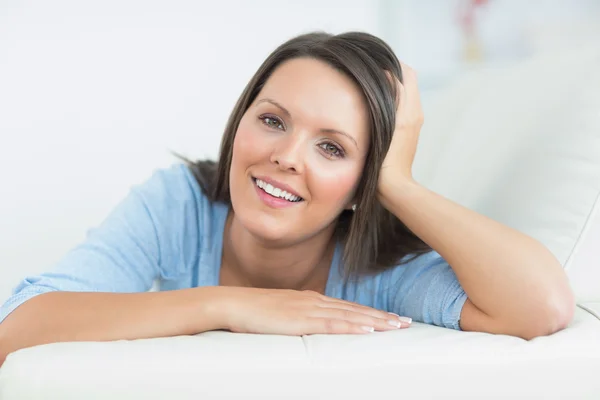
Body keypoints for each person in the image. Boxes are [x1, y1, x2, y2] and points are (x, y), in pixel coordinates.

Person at [0, 31, 574, 365]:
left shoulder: (377, 269)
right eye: (273, 120)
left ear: (361, 184)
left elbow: (542, 307)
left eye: (332, 148)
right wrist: (226, 304)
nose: (288, 156)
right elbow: (17, 326)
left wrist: (396, 183)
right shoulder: (179, 204)